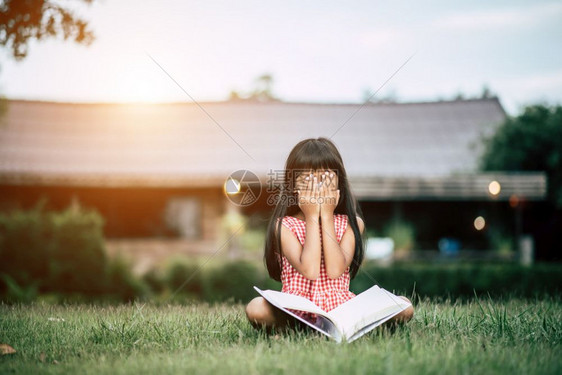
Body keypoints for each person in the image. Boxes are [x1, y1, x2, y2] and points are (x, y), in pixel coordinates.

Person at [245, 137, 414, 334]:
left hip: (341, 307)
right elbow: (309, 270)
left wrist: (325, 215)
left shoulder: (352, 223)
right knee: (256, 307)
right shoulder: (283, 225)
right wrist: (310, 216)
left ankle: (337, 328)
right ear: (293, 184)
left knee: (404, 305)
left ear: (338, 183)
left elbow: (334, 270)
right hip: (296, 309)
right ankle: (301, 327)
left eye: (324, 177)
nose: (317, 185)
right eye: (307, 177)